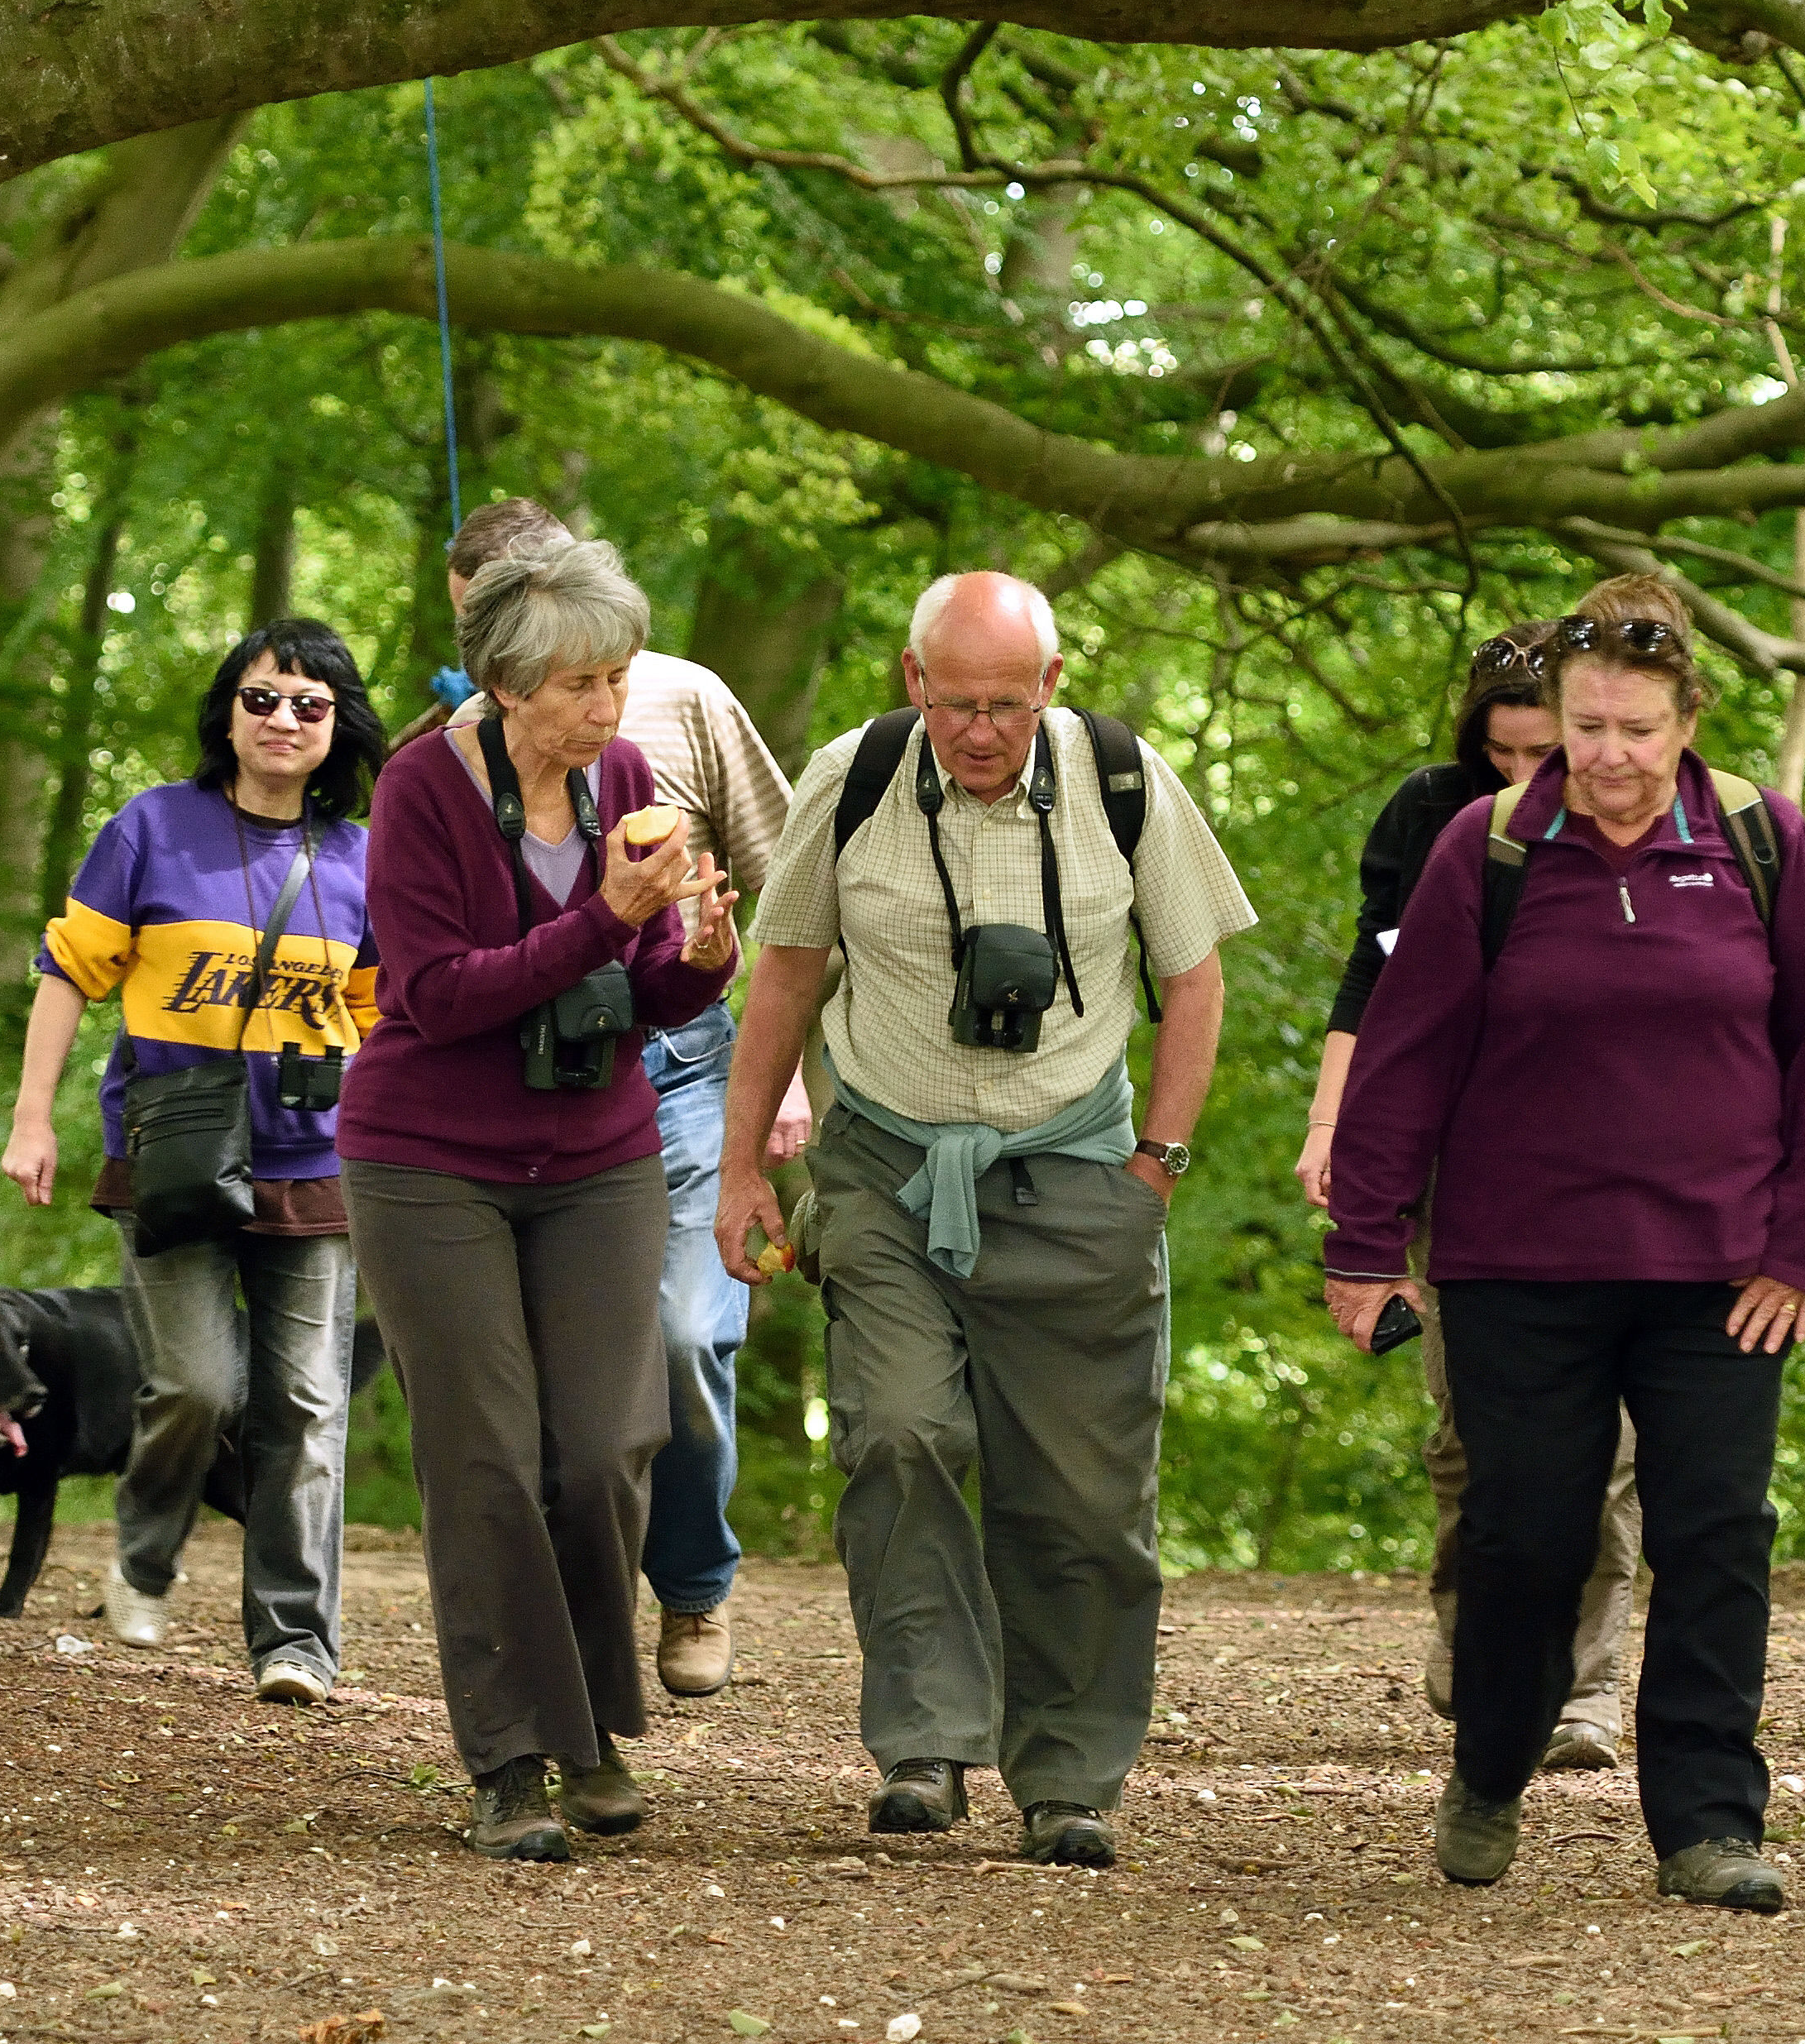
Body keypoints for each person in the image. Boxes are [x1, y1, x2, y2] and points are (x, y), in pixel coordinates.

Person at [1319, 570, 1805, 1913]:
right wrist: (1367, 1246)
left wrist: (1800, 1253)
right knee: (1526, 1537)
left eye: (1636, 729)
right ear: (1554, 719)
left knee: (1717, 1534)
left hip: (1719, 1278)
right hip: (1517, 1270)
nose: (1609, 757)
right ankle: (1491, 1767)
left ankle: (1707, 1820)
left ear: (1686, 722)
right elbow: (1405, 1058)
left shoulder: (1762, 843)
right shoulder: (1489, 851)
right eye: (1586, 727)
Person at [714, 572, 1258, 1868]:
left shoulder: (1126, 783)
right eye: (954, 703)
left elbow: (1195, 979)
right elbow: (784, 975)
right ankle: (924, 1741)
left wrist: (1156, 1170)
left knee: (1080, 1497)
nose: (977, 731)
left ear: (1051, 690)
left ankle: (1070, 1775)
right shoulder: (850, 781)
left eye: (1006, 706)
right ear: (914, 683)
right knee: (898, 1433)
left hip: (1077, 1176)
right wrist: (743, 1172)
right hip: (887, 1168)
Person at [339, 536, 744, 1861]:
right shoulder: (420, 789)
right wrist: (600, 916)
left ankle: (594, 1726)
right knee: (490, 1460)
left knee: (607, 1447)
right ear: (506, 686)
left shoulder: (624, 781)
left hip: (597, 1156)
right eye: (578, 684)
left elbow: (642, 998)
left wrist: (702, 957)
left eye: (618, 679)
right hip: (429, 1160)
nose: (606, 710)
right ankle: (515, 1758)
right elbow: (438, 993)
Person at [433, 496, 811, 1701]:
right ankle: (573, 1625)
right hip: (544, 1087)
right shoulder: (447, 750)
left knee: (693, 1335)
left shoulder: (686, 702)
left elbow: (790, 879)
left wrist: (785, 1067)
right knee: (558, 1389)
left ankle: (693, 1585)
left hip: (694, 1070)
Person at [2, 617, 386, 1703]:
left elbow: (389, 1015)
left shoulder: (364, 858)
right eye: (262, 698)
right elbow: (67, 972)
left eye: (309, 706)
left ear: (337, 728)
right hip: (172, 1150)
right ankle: (144, 1552)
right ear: (228, 711)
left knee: (308, 1407)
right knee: (198, 1384)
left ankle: (295, 1641)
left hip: (316, 1162)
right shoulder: (154, 828)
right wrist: (33, 1118)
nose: (283, 720)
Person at [1302, 626, 1647, 1769]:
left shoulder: (1651, 818)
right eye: (1501, 755)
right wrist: (1331, 1127)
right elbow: (1378, 975)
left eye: (1541, 752)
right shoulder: (1433, 816)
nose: (1521, 778)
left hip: (1616, 1160)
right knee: (1472, 1435)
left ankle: (1589, 1687)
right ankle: (1473, 1637)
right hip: (1463, 1160)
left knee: (1609, 1442)